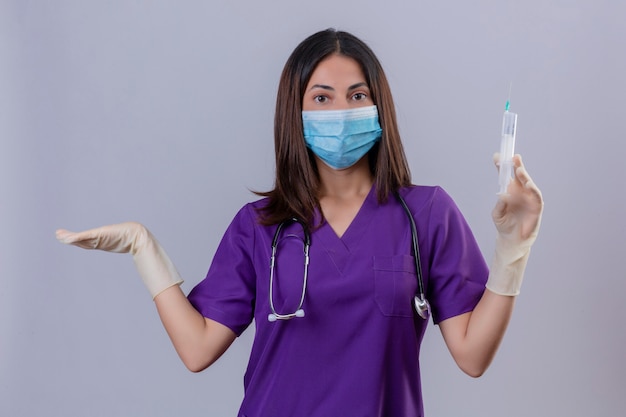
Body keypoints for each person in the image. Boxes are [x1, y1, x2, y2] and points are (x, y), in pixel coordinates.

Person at [56, 29, 543, 416]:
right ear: (296, 111)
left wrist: (513, 247)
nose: (343, 111)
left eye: (357, 95)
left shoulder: (426, 215)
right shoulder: (260, 226)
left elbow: (473, 356)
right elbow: (197, 348)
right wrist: (145, 249)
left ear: (380, 107)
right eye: (323, 98)